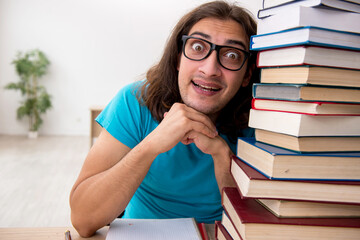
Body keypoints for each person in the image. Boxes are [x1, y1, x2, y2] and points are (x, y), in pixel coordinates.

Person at [70, 0, 258, 237]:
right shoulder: (134, 101)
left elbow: (257, 227)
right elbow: (83, 219)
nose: (210, 69)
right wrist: (151, 144)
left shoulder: (264, 121)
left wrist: (222, 155)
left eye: (232, 55)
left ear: (247, 74)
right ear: (178, 58)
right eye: (198, 47)